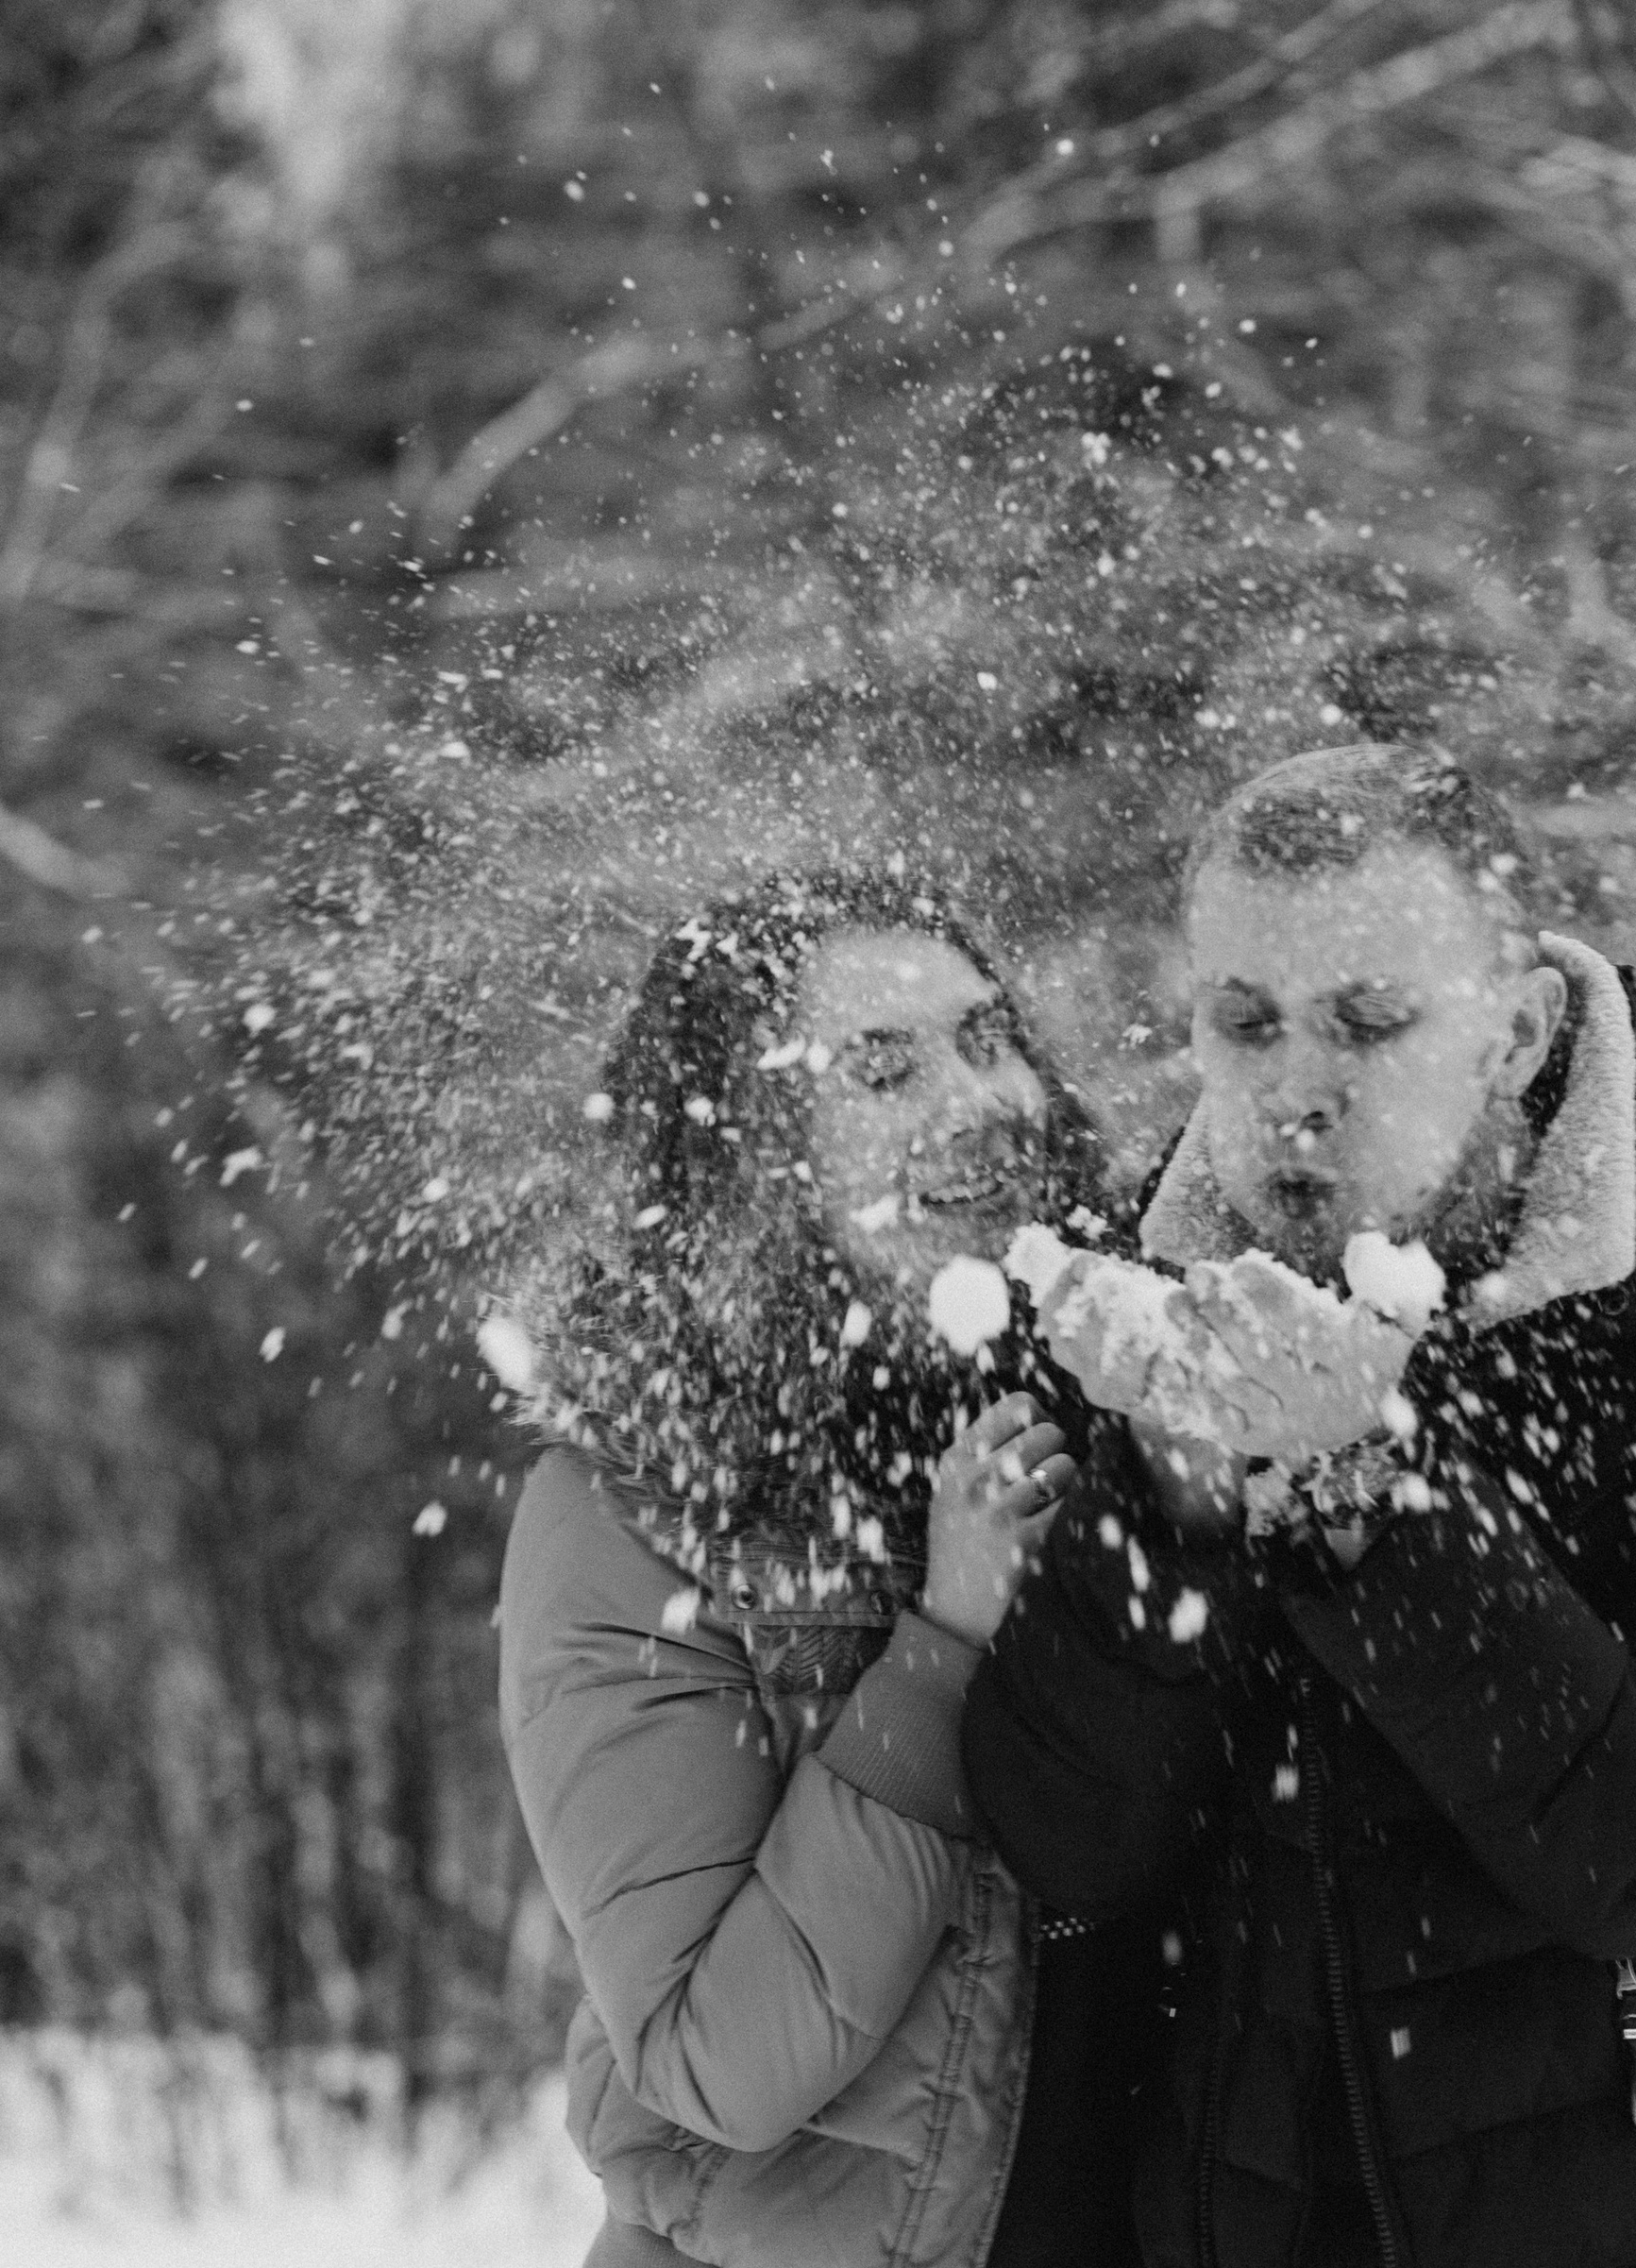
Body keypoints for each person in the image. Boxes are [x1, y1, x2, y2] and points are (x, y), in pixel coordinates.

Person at [963, 743, 1636, 2268]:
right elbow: (1068, 1845)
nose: (1294, 1089)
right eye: (1245, 1022)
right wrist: (1175, 1497)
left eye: (1368, 1022)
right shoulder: (1146, 1297)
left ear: (1517, 1029)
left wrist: (1374, 1487)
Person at [500, 872, 1159, 2268]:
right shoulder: (630, 1513)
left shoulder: (1140, 1407)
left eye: (988, 1040)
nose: (979, 1098)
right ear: (745, 1152)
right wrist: (948, 1636)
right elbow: (719, 2064)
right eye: (880, 1066)